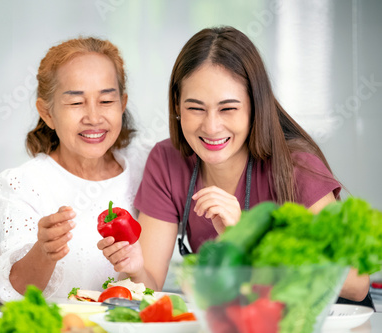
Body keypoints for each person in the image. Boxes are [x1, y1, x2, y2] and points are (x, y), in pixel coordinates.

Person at [98, 26, 372, 307]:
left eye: (228, 108)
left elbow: (356, 283)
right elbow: (149, 285)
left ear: (255, 106)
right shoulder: (167, 160)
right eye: (195, 108)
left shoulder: (295, 166)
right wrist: (134, 268)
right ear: (177, 106)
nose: (212, 126)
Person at [0, 36, 149, 302]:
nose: (94, 117)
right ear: (47, 113)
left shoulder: (145, 168)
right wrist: (44, 250)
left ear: (122, 104)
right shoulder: (20, 184)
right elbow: (15, 292)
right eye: (76, 103)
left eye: (107, 101)